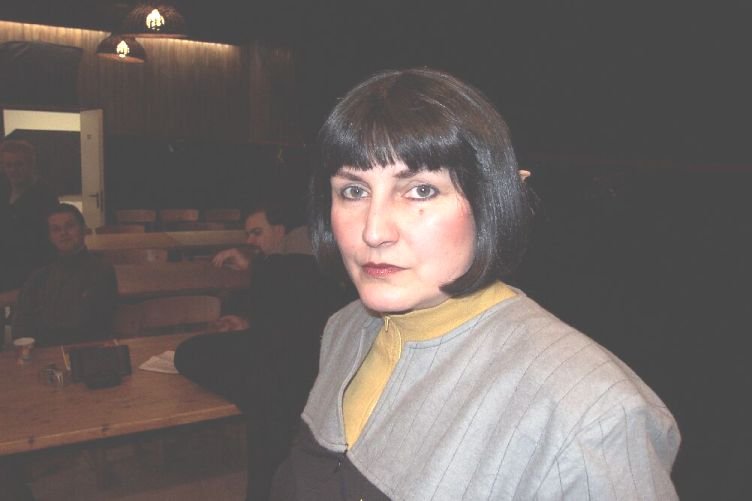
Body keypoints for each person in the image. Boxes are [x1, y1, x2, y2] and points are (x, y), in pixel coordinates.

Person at [270, 68, 680, 500]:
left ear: (491, 201)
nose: (374, 231)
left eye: (421, 191)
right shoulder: (345, 329)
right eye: (354, 191)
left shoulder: (591, 414)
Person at [174, 201, 355, 500]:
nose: (250, 241)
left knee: (193, 356)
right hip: (302, 366)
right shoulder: (300, 261)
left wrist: (257, 268)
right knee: (261, 390)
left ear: (280, 231)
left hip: (298, 371)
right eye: (247, 235)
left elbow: (293, 321)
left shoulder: (285, 264)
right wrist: (248, 322)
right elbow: (287, 321)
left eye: (257, 233)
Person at [12, 203, 118, 346]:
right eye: (56, 229)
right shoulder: (40, 276)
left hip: (85, 350)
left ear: (83, 230)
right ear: (50, 237)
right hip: (42, 352)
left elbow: (94, 325)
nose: (63, 233)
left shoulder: (101, 271)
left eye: (70, 226)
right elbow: (21, 322)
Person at [0, 138, 58, 291]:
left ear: (31, 165)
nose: (13, 170)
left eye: (19, 164)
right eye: (8, 165)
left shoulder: (45, 195)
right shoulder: (3, 189)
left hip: (32, 271)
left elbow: (48, 239)